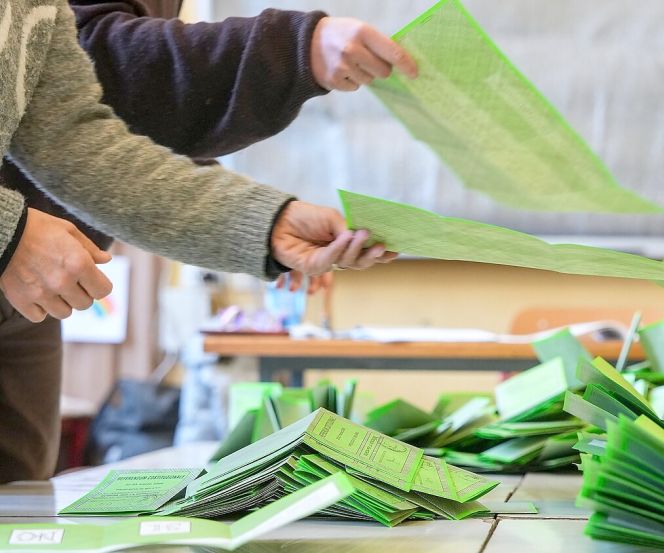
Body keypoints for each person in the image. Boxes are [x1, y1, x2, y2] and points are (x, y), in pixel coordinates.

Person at [0, 0, 416, 482]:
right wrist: (11, 233)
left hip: (21, 299)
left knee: (18, 501)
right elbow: (112, 58)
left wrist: (262, 224)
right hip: (17, 263)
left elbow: (73, 140)